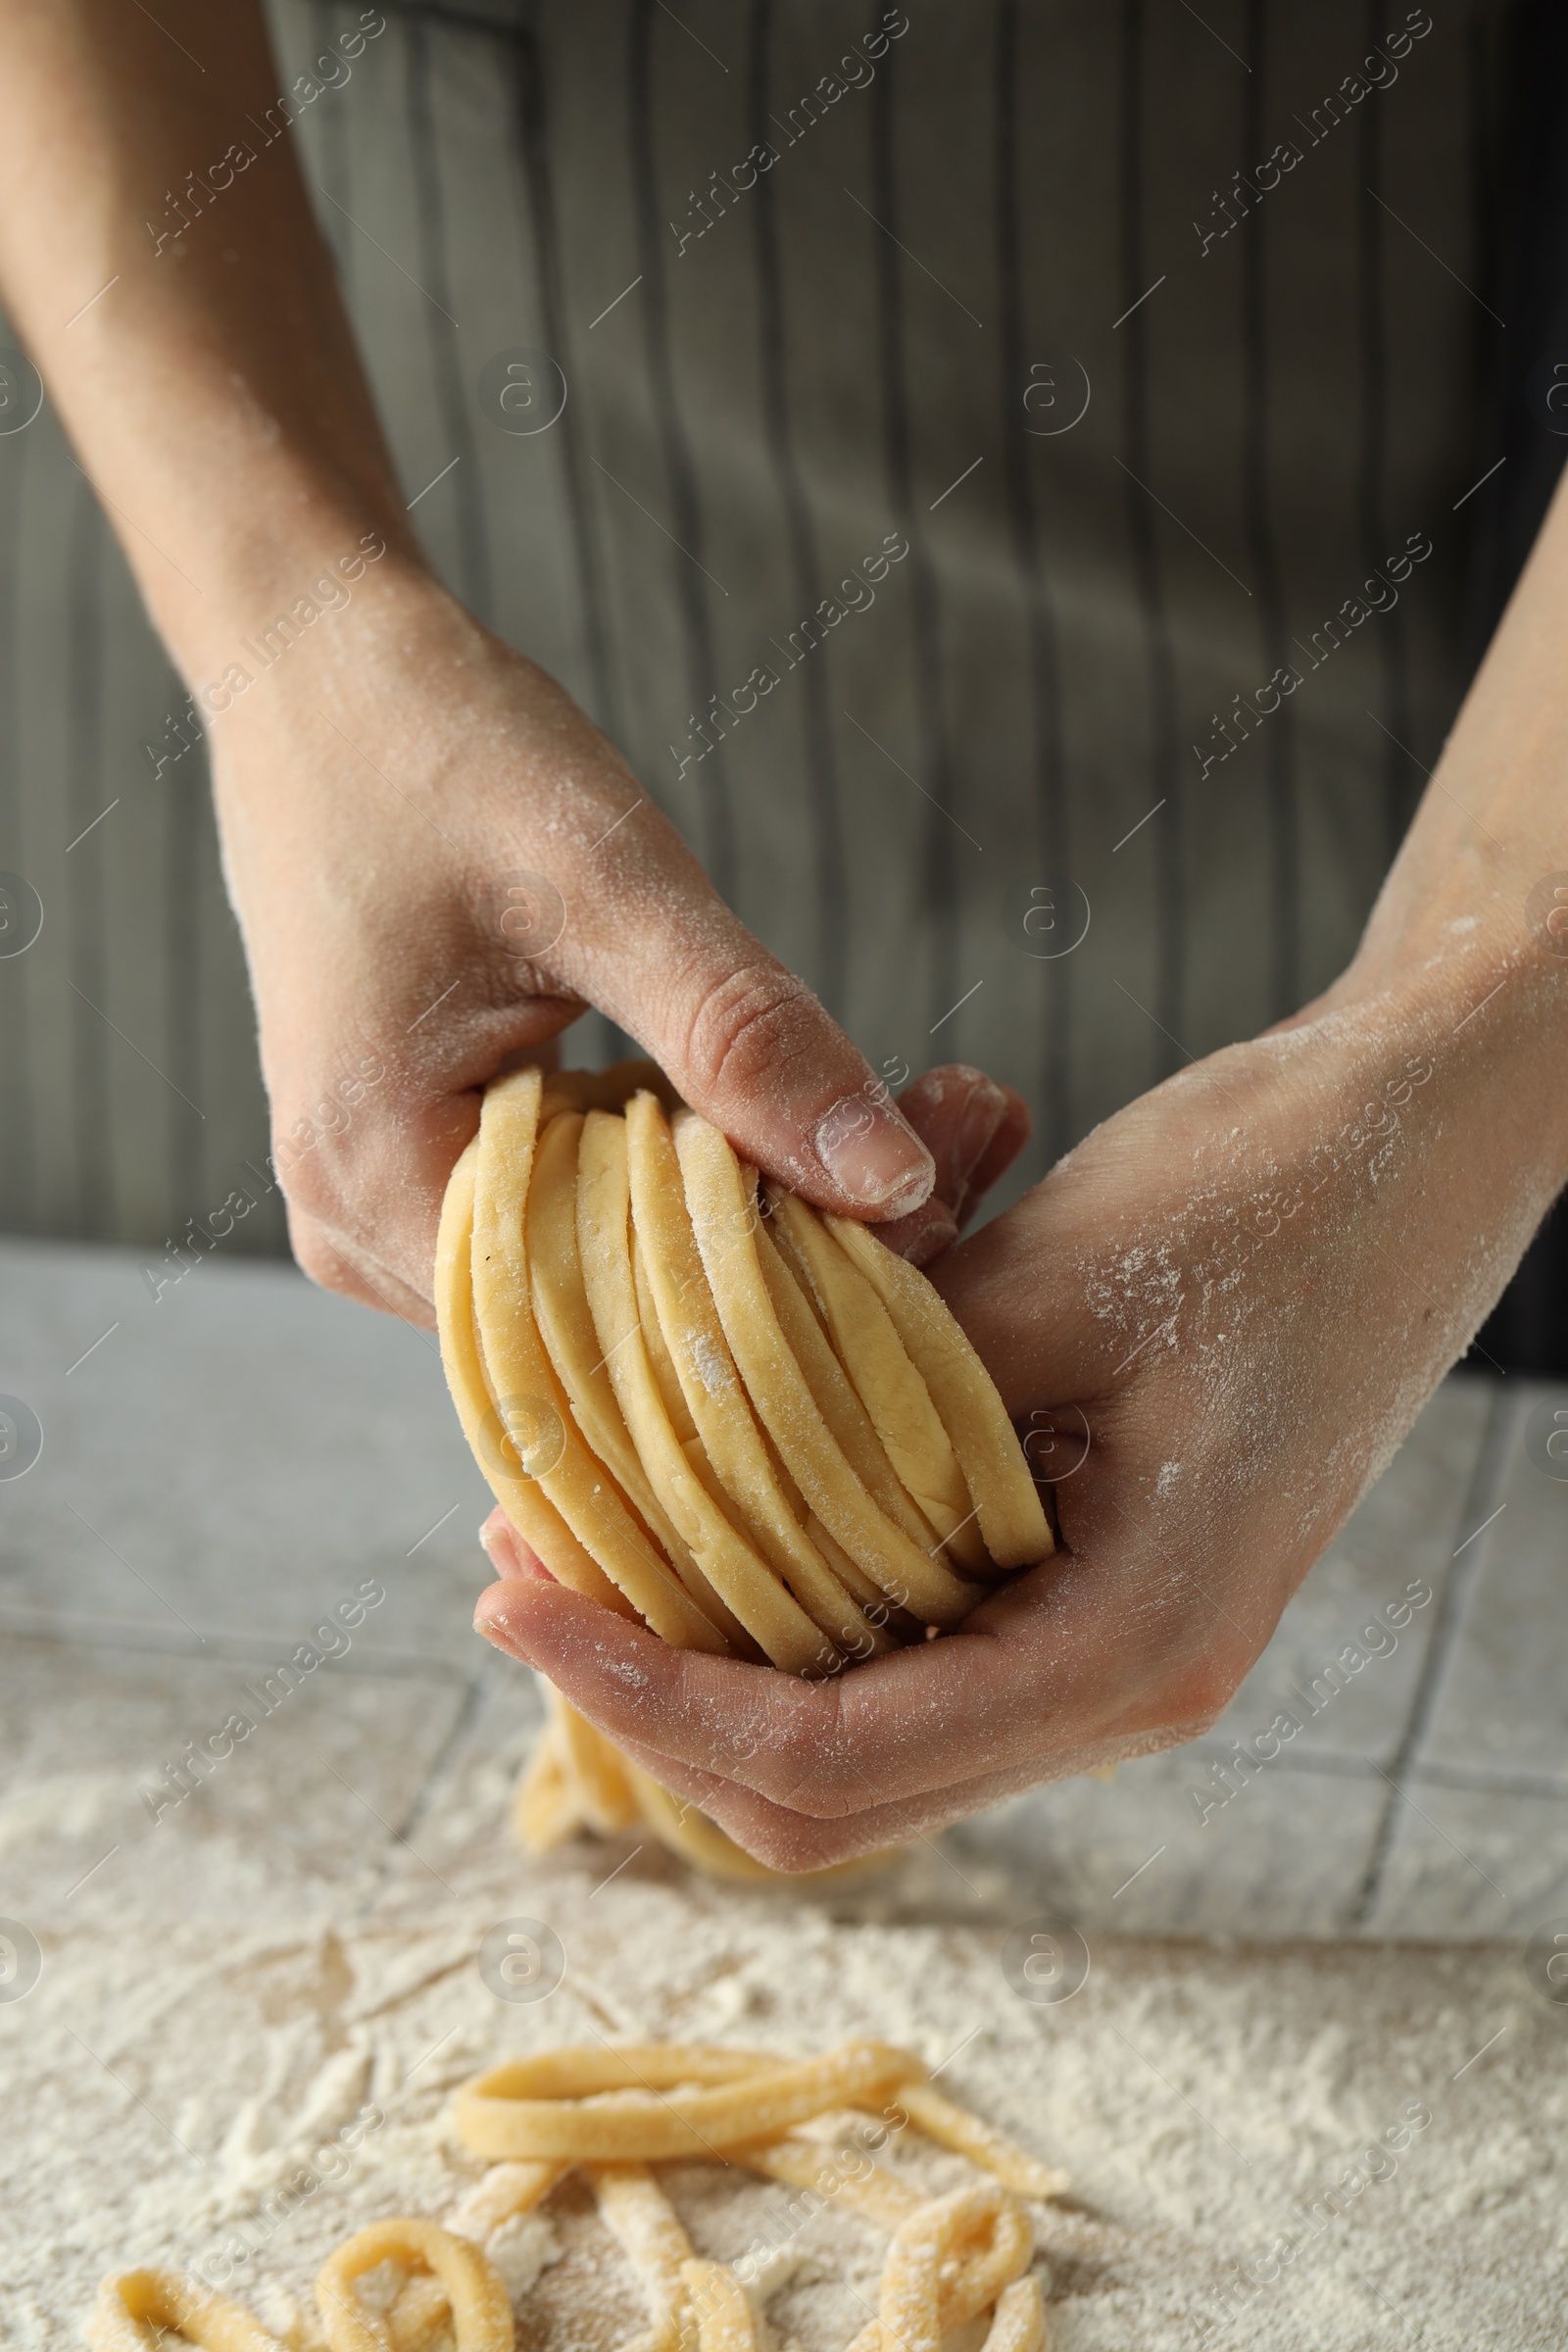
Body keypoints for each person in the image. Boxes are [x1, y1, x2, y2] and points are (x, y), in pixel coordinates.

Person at [1, 0, 1563, 1869]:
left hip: (1279, 548)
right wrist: (296, 630)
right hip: (318, 402)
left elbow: (1459, 1044)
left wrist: (1462, 1022)